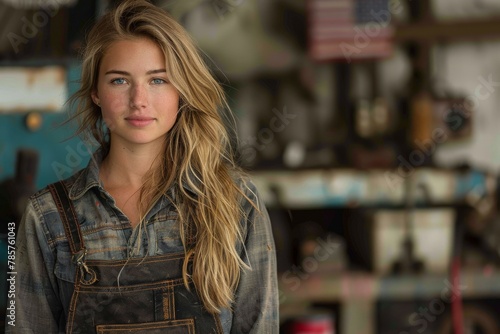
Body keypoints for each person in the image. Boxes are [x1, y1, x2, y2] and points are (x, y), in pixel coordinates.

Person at [7, 0, 278, 333]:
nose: (139, 99)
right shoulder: (47, 217)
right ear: (95, 92)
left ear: (183, 90)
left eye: (158, 80)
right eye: (119, 81)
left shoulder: (237, 204)